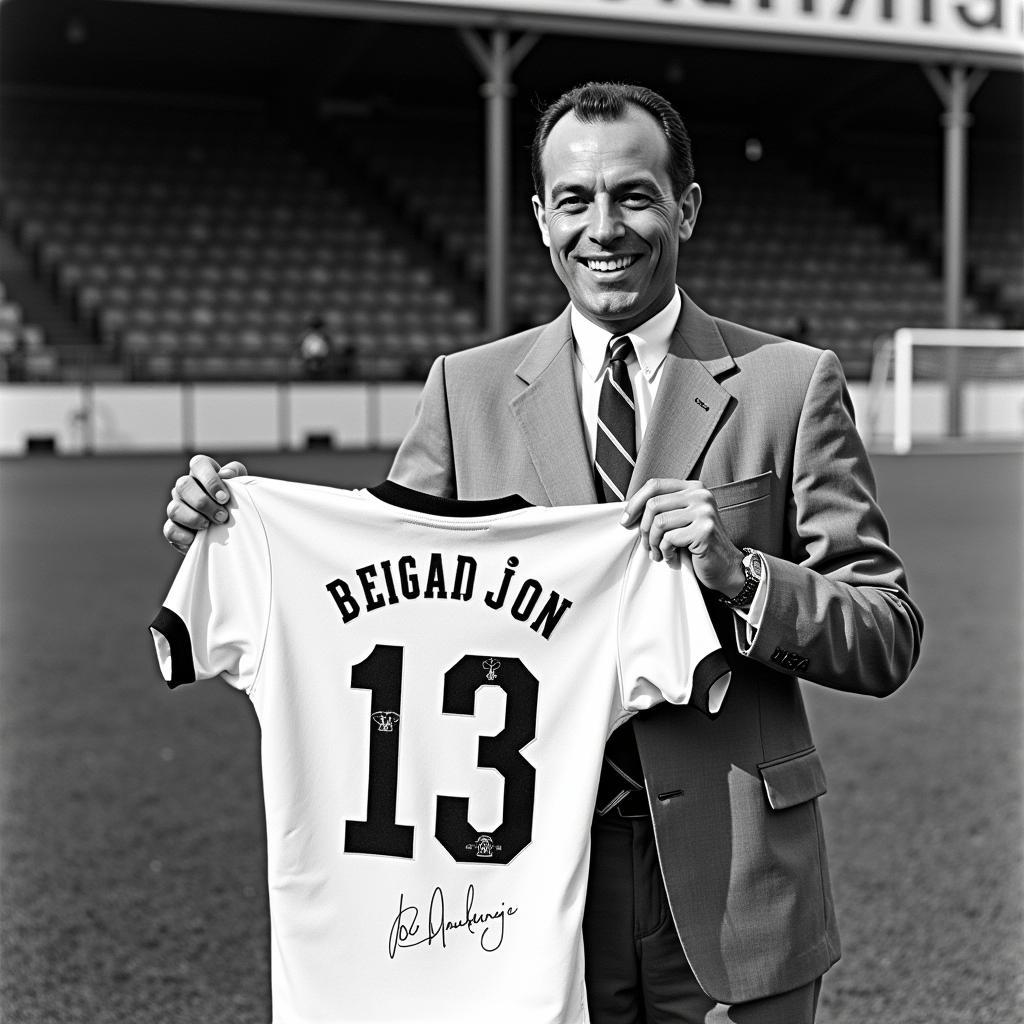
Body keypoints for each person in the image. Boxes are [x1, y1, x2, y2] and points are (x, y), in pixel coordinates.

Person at [162, 82, 923, 1023]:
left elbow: (887, 631)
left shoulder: (787, 385)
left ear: (685, 207)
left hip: (738, 889)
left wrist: (744, 576)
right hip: (521, 901)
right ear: (540, 218)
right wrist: (240, 524)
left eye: (635, 196)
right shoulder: (464, 392)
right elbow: (375, 581)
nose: (605, 227)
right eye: (575, 200)